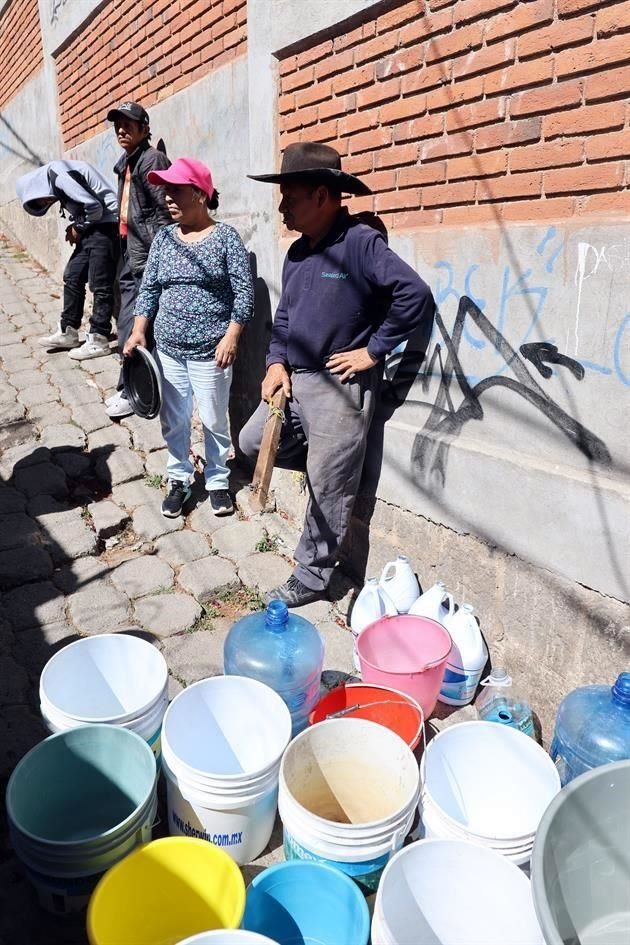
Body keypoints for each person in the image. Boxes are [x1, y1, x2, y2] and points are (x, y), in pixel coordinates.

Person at [240, 142, 436, 607]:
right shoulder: (296, 255)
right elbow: (283, 322)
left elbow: (417, 295)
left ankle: (311, 576)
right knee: (250, 444)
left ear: (324, 196)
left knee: (328, 484)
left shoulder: (360, 245)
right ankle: (332, 468)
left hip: (340, 388)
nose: (283, 206)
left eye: (291, 196)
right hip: (295, 382)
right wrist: (274, 363)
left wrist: (373, 351)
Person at [123, 157, 254, 518]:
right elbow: (148, 289)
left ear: (199, 194)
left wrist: (232, 336)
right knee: (174, 418)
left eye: (175, 190)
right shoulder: (165, 239)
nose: (166, 197)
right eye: (165, 190)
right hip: (168, 350)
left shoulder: (226, 238)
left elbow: (244, 294)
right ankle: (179, 477)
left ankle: (217, 480)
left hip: (212, 352)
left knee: (213, 418)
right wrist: (137, 332)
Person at [105, 100, 172, 419]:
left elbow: (164, 212)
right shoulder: (126, 162)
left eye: (128, 124)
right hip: (129, 253)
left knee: (134, 324)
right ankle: (133, 386)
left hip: (147, 257)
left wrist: (160, 259)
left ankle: (133, 391)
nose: (121, 129)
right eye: (117, 125)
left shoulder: (152, 159)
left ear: (144, 128)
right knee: (129, 321)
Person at [16, 160, 119, 359]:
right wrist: (78, 226)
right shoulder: (53, 179)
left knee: (100, 283)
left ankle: (99, 339)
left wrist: (77, 228)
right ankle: (68, 331)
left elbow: (94, 207)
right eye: (41, 204)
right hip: (93, 227)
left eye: (41, 201)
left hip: (107, 225)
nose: (46, 202)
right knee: (73, 275)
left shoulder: (59, 175)